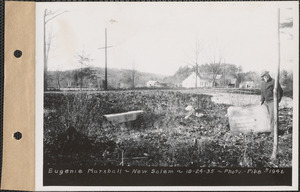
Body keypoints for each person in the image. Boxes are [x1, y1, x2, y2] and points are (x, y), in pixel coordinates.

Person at [260, 71, 283, 135]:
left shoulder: (274, 82)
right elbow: (262, 93)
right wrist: (261, 100)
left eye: (266, 76)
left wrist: (277, 101)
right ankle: (267, 130)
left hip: (272, 102)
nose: (265, 77)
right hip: (265, 102)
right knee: (265, 116)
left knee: (273, 117)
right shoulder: (263, 83)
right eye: (264, 77)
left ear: (268, 75)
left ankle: (273, 132)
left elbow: (280, 91)